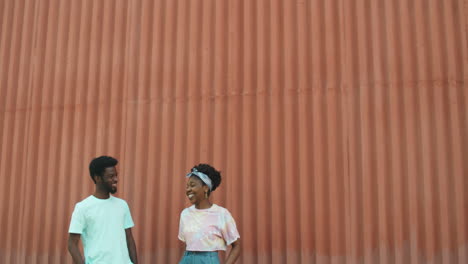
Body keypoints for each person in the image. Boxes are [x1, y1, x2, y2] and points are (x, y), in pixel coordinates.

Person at [67, 156, 138, 264]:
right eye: (111, 176)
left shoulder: (122, 205)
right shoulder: (82, 208)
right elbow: (72, 244)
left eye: (116, 175)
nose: (116, 179)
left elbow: (129, 239)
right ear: (97, 178)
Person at [178, 164, 241, 264]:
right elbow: (188, 244)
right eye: (187, 186)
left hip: (208, 260)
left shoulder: (221, 214)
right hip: (187, 258)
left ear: (205, 188)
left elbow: (237, 246)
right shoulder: (185, 214)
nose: (188, 189)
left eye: (193, 185)